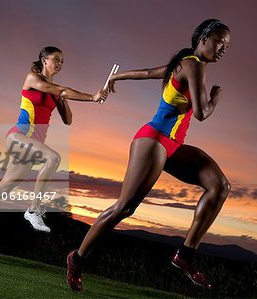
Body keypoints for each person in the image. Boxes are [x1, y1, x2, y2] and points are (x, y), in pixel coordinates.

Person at [67, 19, 231, 291]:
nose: (223, 47)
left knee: (220, 186)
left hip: (174, 145)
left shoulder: (184, 63)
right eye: (219, 41)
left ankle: (185, 256)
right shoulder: (194, 65)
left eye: (227, 45)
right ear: (203, 38)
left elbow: (146, 73)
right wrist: (216, 98)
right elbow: (202, 113)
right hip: (154, 140)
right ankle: (77, 257)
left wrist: (116, 77)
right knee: (124, 208)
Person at [0, 46, 108, 233]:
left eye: (62, 61)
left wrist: (62, 98)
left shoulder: (56, 92)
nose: (60, 64)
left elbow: (68, 120)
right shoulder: (32, 78)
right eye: (56, 59)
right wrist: (92, 97)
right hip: (19, 136)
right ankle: (34, 209)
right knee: (53, 158)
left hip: (33, 145)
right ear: (44, 60)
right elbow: (61, 90)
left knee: (3, 189)